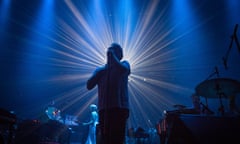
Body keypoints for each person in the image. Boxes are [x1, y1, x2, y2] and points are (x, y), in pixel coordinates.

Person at [87, 43, 131, 144]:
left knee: (118, 138)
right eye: (109, 51)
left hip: (120, 108)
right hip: (104, 109)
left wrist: (113, 58)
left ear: (119, 54)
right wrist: (100, 72)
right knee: (105, 138)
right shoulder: (100, 70)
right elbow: (89, 85)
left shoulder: (124, 64)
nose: (110, 53)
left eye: (113, 50)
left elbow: (124, 70)